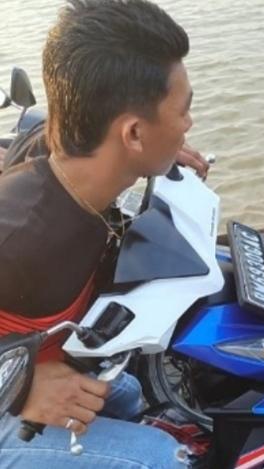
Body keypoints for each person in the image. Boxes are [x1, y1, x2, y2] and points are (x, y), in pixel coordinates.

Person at [0, 0, 206, 467]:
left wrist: (155, 153)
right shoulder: (19, 238)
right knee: (163, 458)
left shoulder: (62, 148)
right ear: (132, 133)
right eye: (183, 111)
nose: (188, 125)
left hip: (44, 354)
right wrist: (19, 384)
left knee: (124, 392)